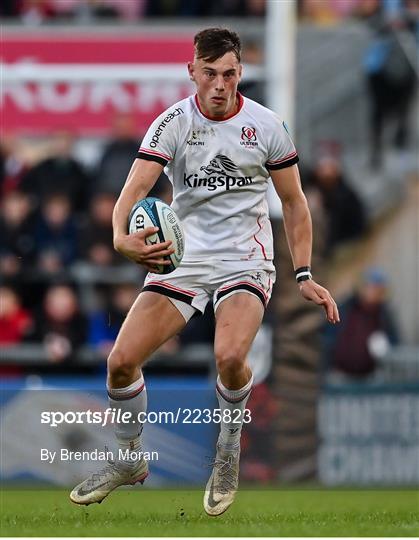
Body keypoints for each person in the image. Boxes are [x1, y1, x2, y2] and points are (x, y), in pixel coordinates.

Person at [70, 27, 339, 516]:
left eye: (230, 74)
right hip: (185, 257)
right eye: (210, 73)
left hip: (246, 259)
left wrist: (303, 273)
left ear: (241, 74)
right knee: (121, 363)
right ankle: (130, 461)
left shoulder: (267, 126)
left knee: (229, 356)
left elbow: (295, 203)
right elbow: (132, 192)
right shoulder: (172, 123)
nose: (220, 84)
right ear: (192, 71)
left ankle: (228, 452)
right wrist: (118, 236)